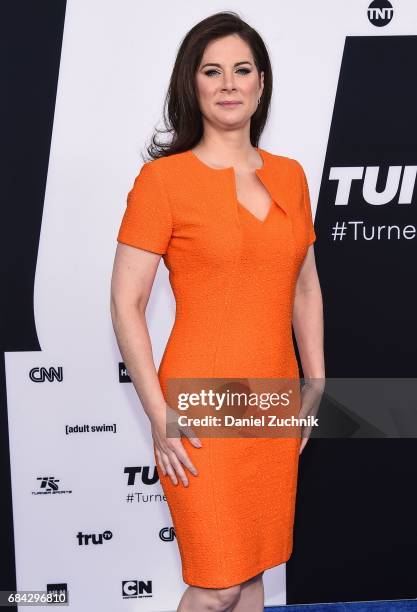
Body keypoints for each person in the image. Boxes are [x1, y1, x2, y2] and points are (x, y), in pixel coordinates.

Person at [110, 10, 324, 612]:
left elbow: (305, 287)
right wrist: (158, 414)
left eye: (241, 69)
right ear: (193, 84)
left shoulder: (291, 177)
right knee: (216, 583)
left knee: (253, 571)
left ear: (261, 82)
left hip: (272, 398)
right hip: (197, 403)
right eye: (212, 71)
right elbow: (126, 304)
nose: (228, 83)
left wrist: (317, 380)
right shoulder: (164, 181)